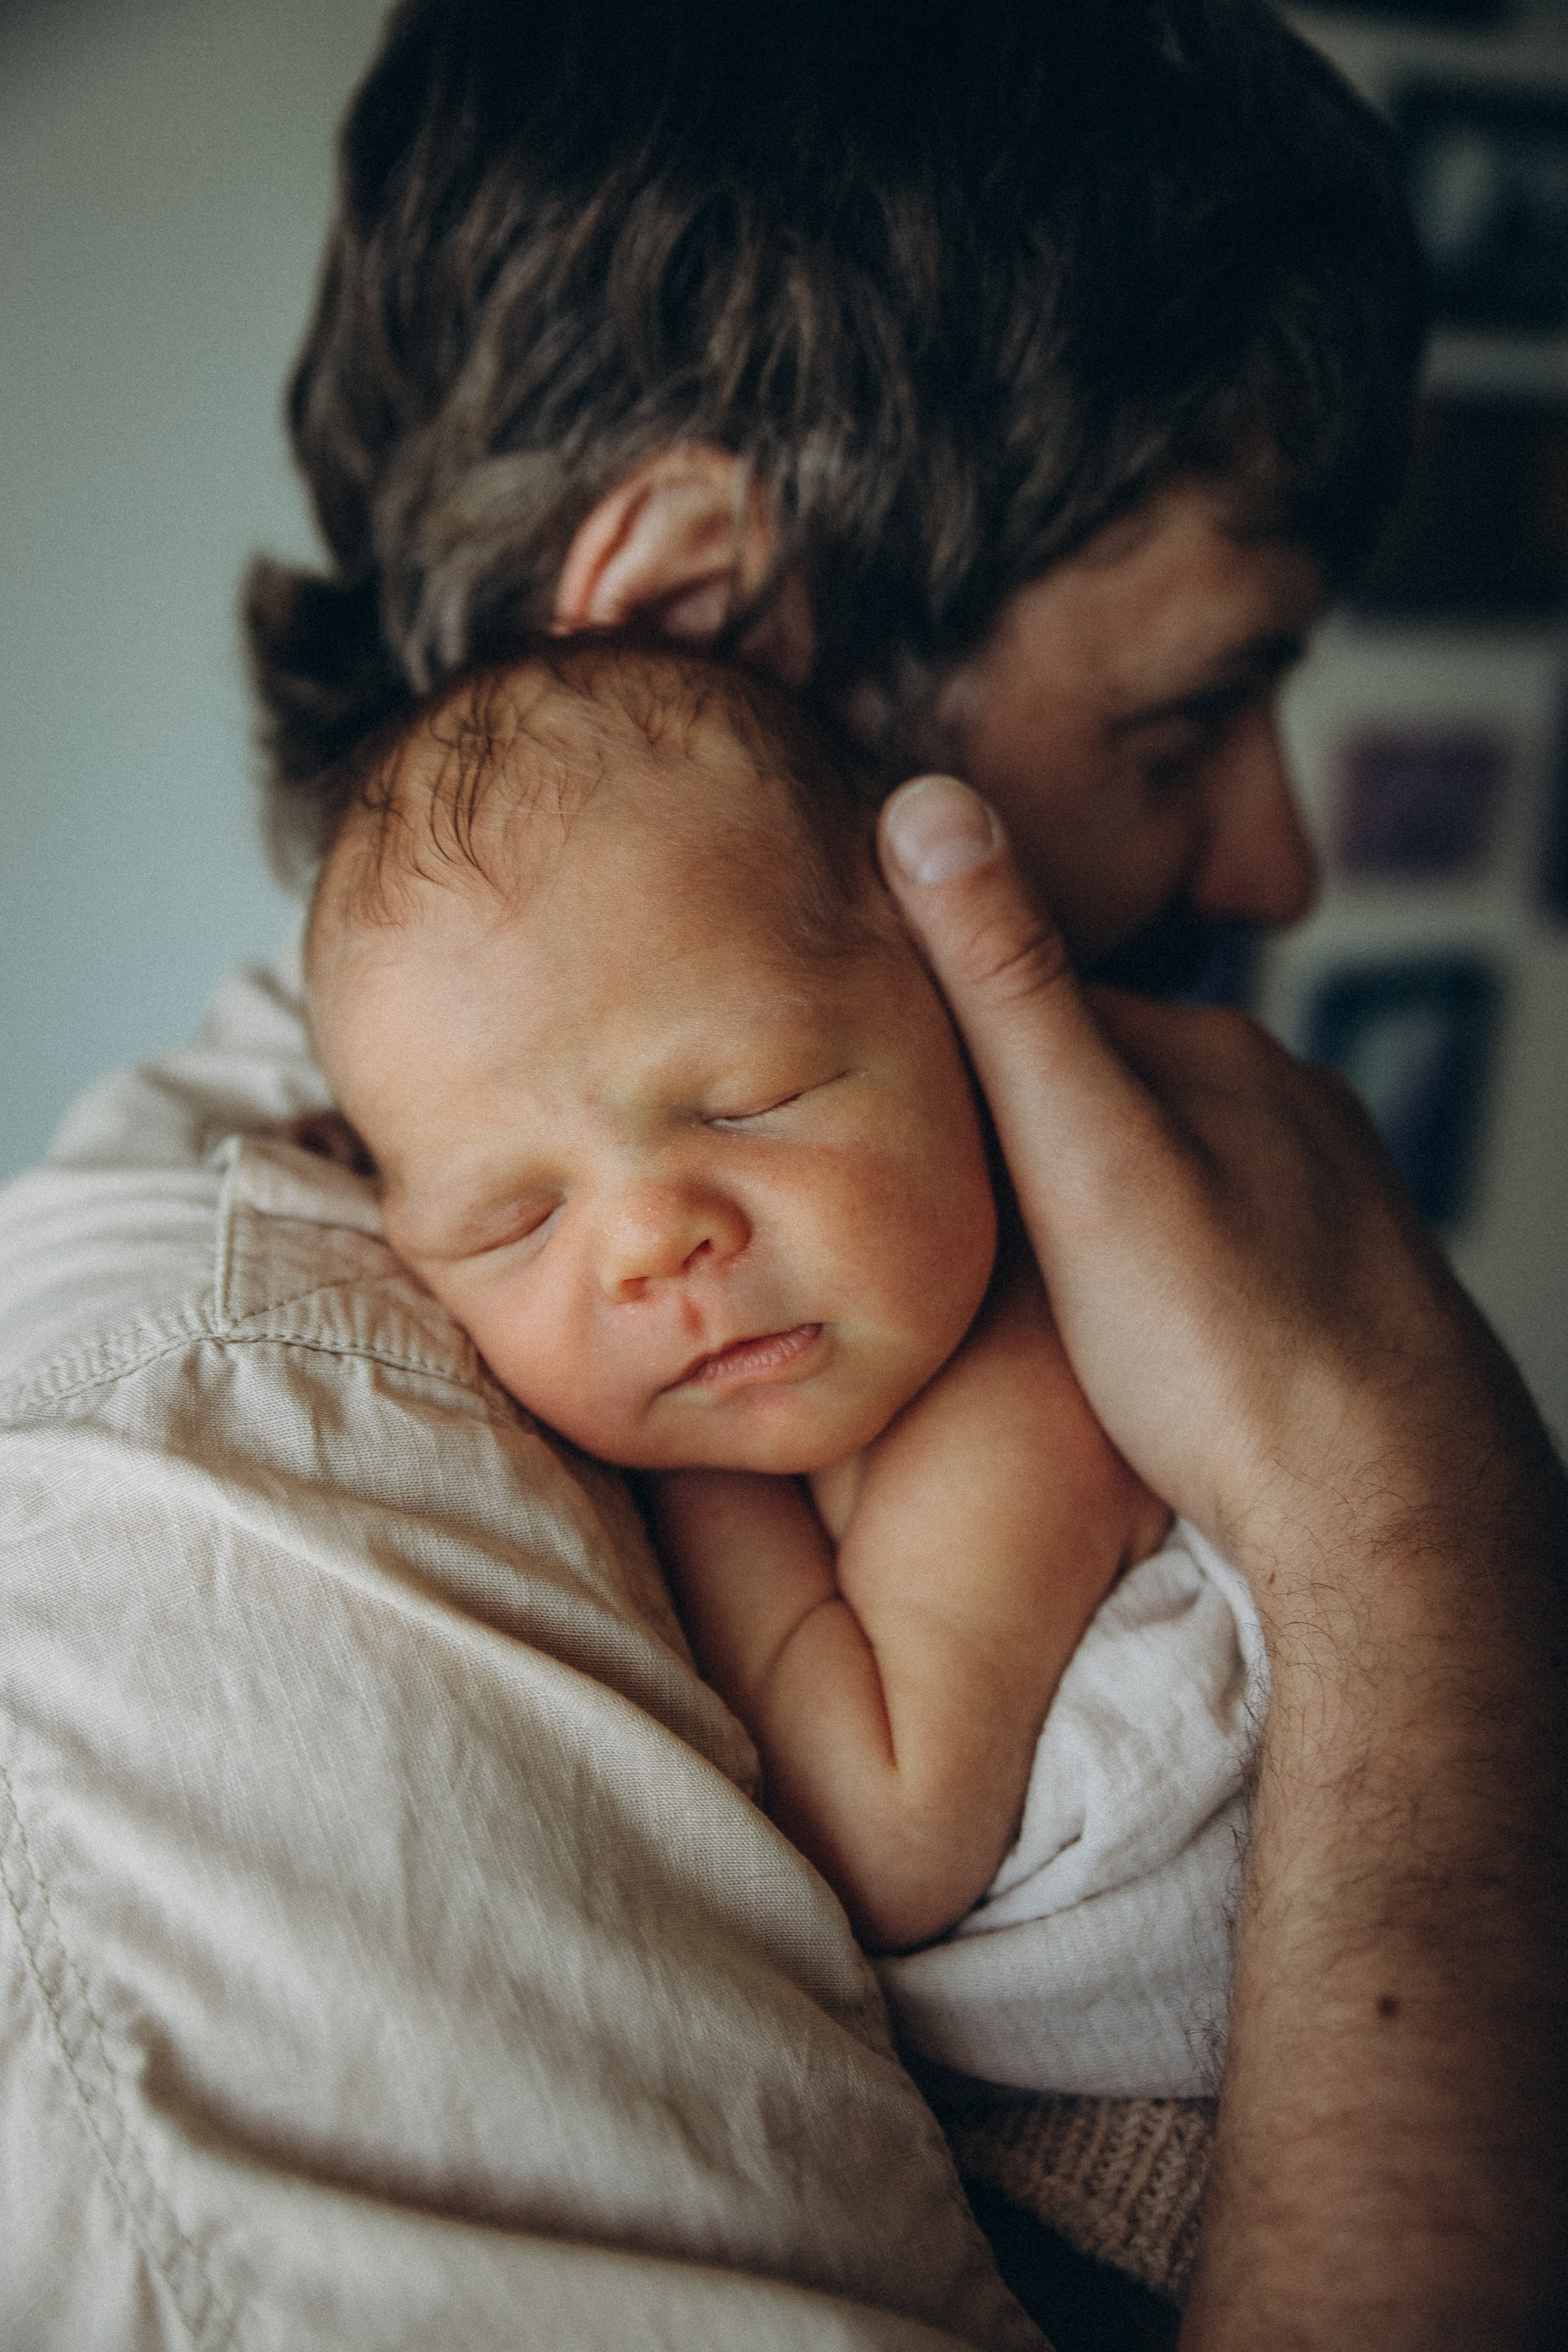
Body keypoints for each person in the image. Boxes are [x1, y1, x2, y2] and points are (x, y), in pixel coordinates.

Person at [1, 1, 1563, 2345]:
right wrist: (1419, 1543)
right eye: (1184, 709)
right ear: (714, 624)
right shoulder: (218, 1543)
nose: (1276, 849)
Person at [300, 637, 1262, 2105]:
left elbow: (884, 1842)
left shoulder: (1031, 1389)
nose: (647, 1242)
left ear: (948, 1014)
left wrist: (682, 1485)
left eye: (751, 1104)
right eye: (516, 1218)